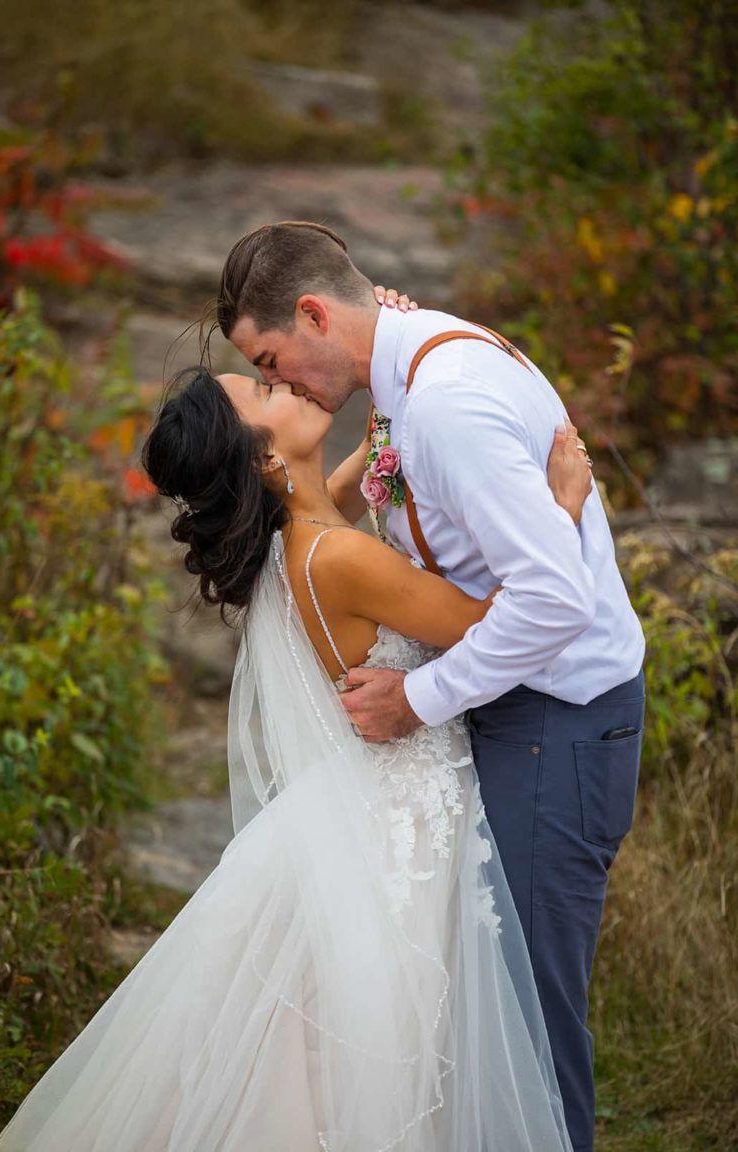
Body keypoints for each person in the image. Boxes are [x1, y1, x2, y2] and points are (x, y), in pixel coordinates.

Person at [0, 340, 591, 1150]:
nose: (284, 382)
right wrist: (560, 512)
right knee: (386, 1063)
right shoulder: (339, 557)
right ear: (266, 456)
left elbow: (343, 482)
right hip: (404, 831)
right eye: (264, 389)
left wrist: (383, 370)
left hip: (364, 807)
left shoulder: (294, 540)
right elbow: (497, 625)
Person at [217, 221, 647, 1152]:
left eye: (271, 360)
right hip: (510, 712)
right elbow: (393, 498)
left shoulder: (443, 399)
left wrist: (416, 699)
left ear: (314, 313)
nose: (282, 383)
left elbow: (552, 602)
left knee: (531, 1022)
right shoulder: (402, 384)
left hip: (558, 721)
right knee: (496, 1014)